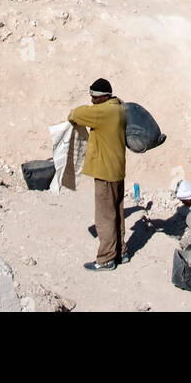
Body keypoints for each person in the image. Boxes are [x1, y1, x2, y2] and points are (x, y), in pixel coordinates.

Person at [68, 78, 127, 270]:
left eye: (94, 97)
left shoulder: (103, 112)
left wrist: (88, 108)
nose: (92, 100)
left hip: (105, 171)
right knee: (117, 213)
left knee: (104, 217)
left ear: (102, 97)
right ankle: (121, 252)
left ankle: (106, 259)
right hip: (117, 169)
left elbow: (75, 114)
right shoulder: (119, 108)